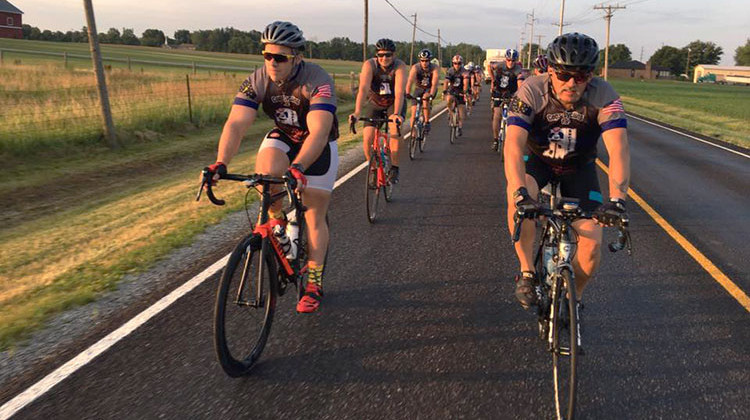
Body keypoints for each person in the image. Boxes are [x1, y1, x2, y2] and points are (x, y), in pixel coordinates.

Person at [203, 21, 339, 313]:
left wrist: (299, 166)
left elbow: (318, 132)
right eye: (267, 56)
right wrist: (221, 162)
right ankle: (278, 226)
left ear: (297, 57)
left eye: (280, 57)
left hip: (317, 145)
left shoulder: (317, 79)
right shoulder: (258, 80)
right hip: (286, 136)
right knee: (265, 172)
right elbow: (237, 123)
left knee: (314, 212)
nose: (272, 63)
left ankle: (313, 282)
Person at [504, 33, 630, 320]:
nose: (572, 83)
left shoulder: (605, 95)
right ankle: (526, 271)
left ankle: (576, 297)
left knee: (591, 244)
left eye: (582, 75)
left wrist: (617, 200)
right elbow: (513, 144)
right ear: (550, 69)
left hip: (579, 167)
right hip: (538, 162)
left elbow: (619, 149)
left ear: (592, 74)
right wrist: (521, 193)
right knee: (518, 199)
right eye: (563, 74)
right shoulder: (530, 91)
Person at [350, 38, 408, 184]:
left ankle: (394, 168)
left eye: (388, 55)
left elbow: (400, 92)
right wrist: (357, 112)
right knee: (367, 137)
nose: (384, 58)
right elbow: (363, 89)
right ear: (376, 55)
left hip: (393, 102)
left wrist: (396, 114)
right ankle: (374, 168)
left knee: (395, 130)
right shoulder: (370, 65)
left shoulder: (399, 66)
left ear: (393, 55)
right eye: (380, 55)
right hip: (375, 102)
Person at [490, 48, 525, 150]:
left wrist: (519, 94)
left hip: (512, 93)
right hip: (499, 92)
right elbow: (489, 66)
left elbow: (520, 83)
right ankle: (496, 140)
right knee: (497, 115)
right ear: (506, 59)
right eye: (509, 60)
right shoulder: (500, 65)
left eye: (513, 60)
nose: (511, 62)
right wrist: (493, 80)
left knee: (514, 116)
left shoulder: (518, 69)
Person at [406, 48, 439, 135]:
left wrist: (431, 94)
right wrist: (407, 92)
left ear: (429, 60)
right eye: (422, 61)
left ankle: (427, 122)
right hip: (418, 89)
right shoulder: (415, 67)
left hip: (430, 88)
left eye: (426, 61)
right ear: (420, 60)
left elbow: (434, 83)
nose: (424, 63)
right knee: (413, 114)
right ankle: (413, 135)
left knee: (425, 99)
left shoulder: (434, 68)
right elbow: (410, 81)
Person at [442, 54, 471, 136]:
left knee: (462, 112)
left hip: (461, 90)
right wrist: (444, 90)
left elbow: (465, 83)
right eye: (455, 63)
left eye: (459, 63)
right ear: (453, 63)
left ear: (461, 64)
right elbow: (446, 81)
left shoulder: (464, 71)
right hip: (452, 89)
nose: (457, 65)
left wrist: (464, 92)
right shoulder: (450, 71)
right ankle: (450, 111)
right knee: (448, 99)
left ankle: (460, 127)